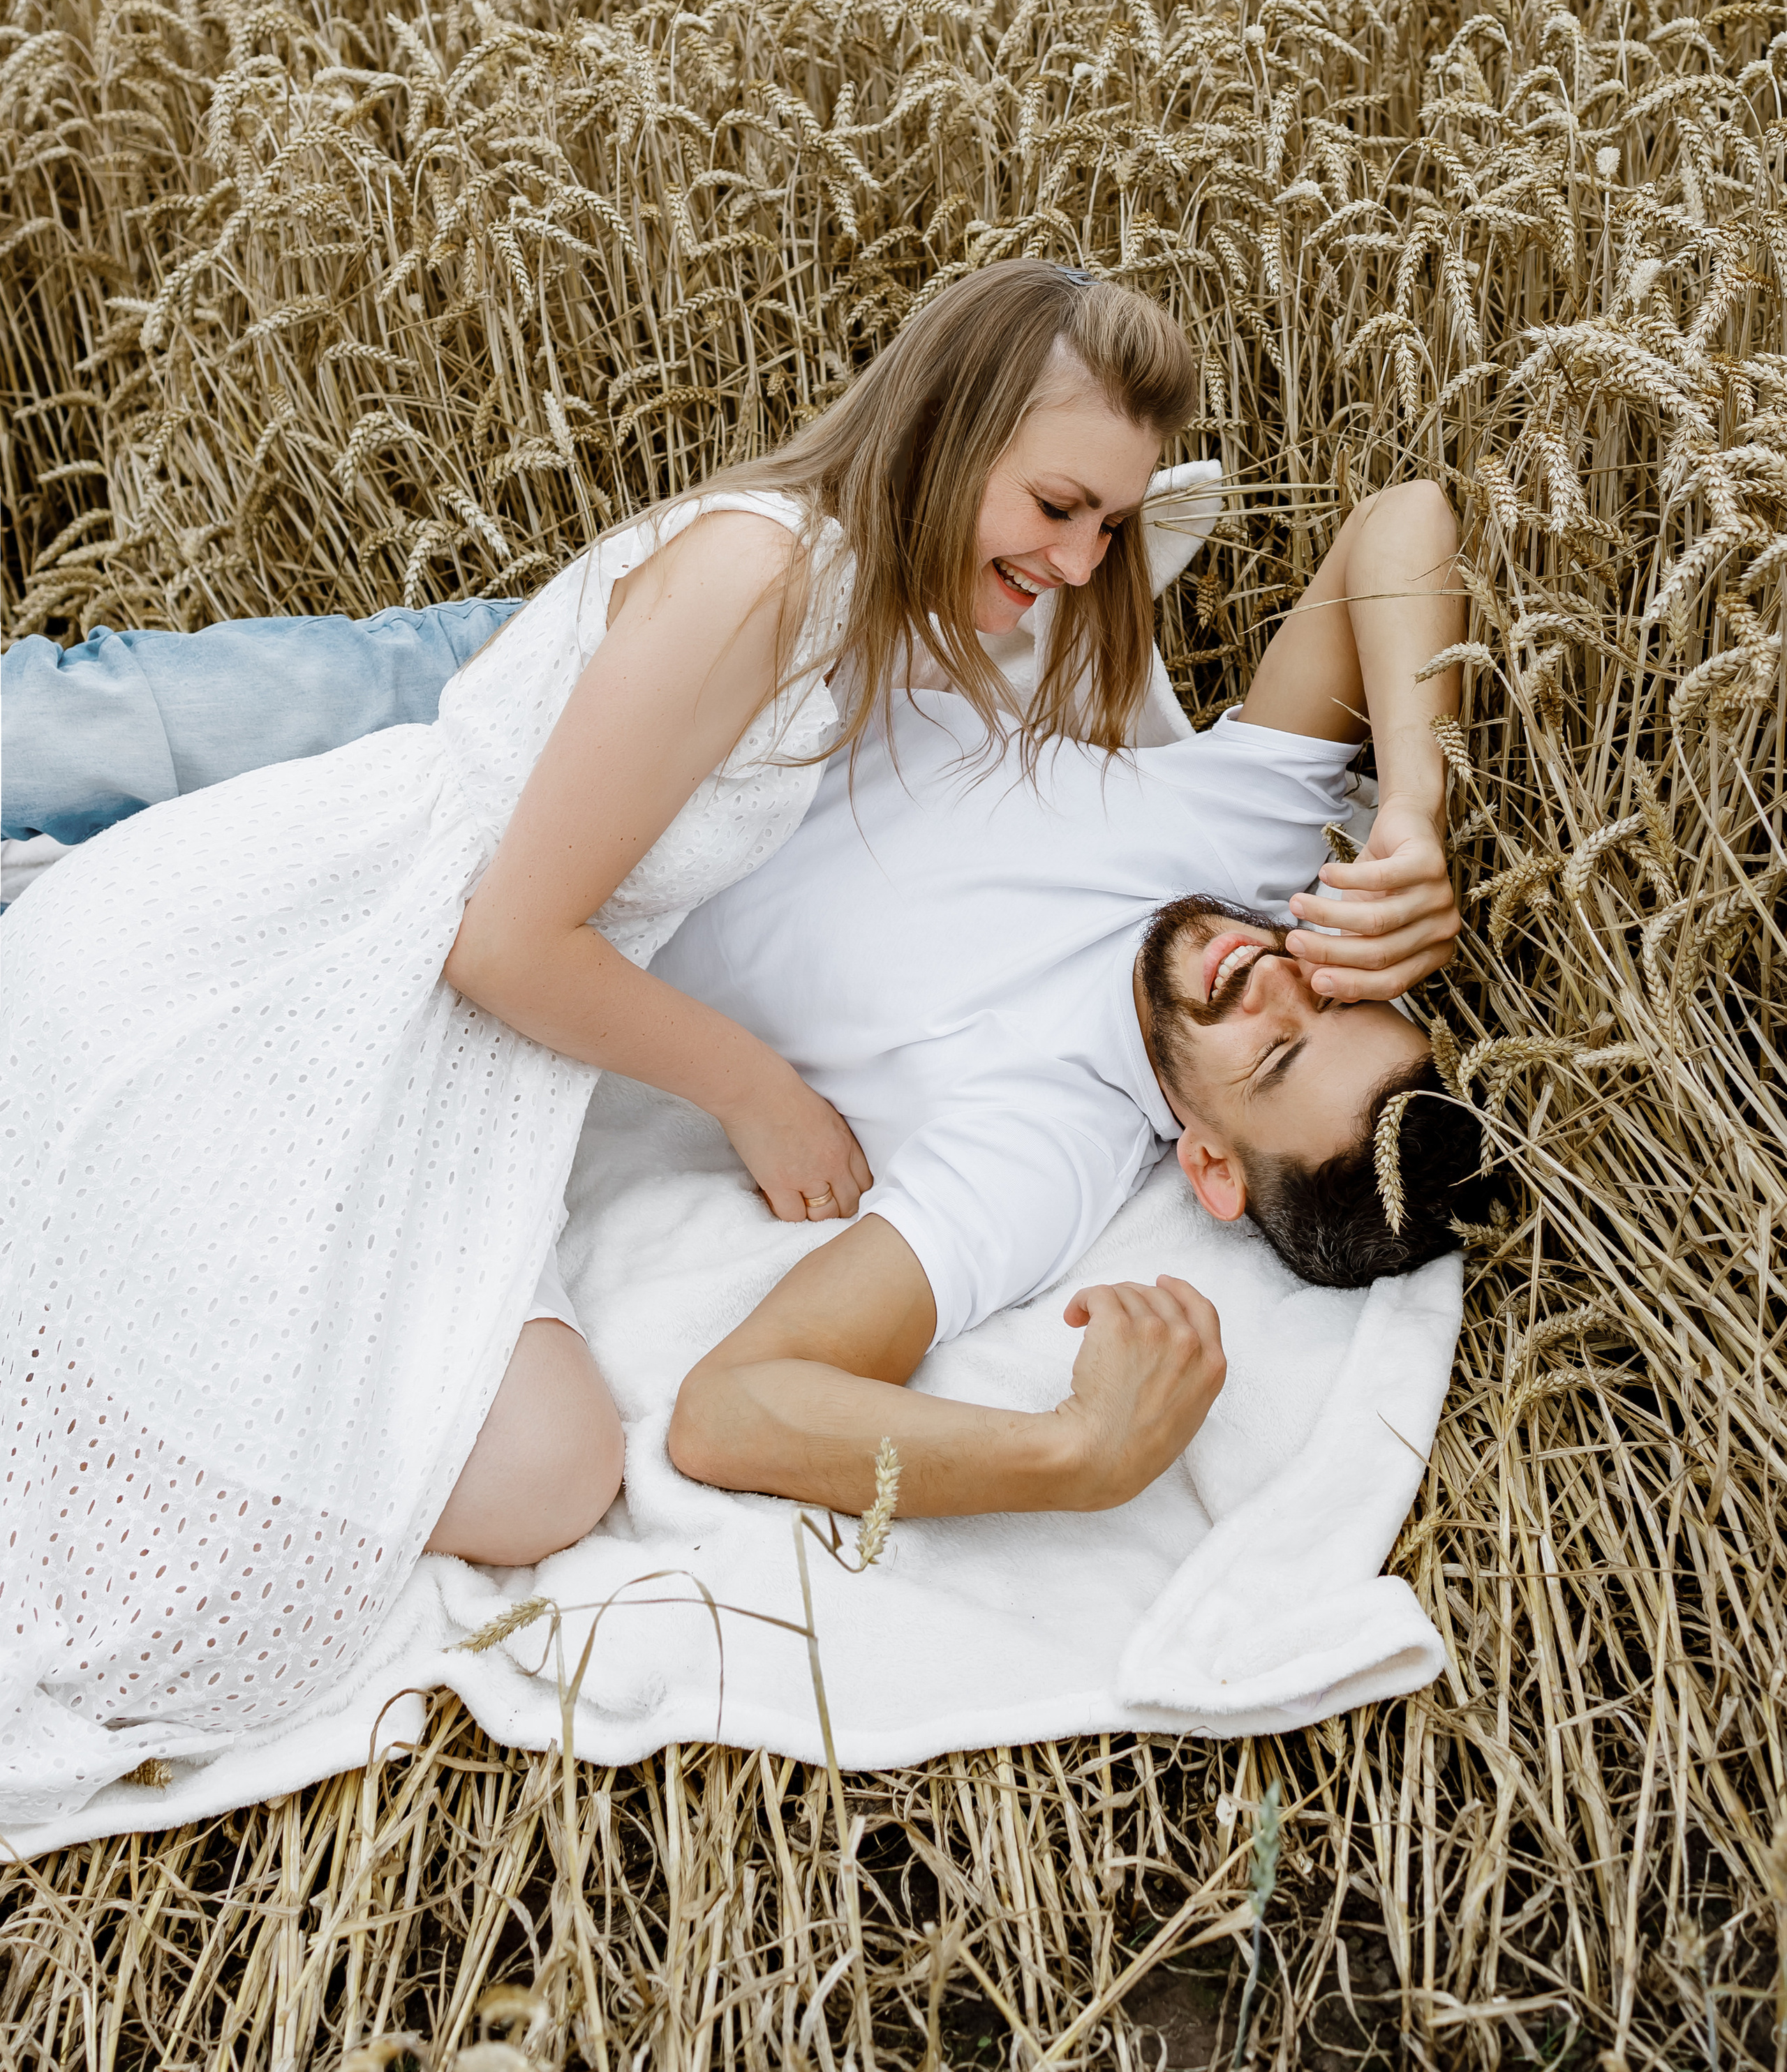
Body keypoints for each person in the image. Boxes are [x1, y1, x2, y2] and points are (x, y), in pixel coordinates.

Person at [0, 260, 1213, 1826]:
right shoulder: (766, 575)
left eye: (1105, 527)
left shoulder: (875, 597)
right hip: (333, 963)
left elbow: (1205, 531)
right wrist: (753, 1091)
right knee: (362, 1501)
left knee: (539, 1475)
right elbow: (503, 939)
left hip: (458, 1044)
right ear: (947, 429)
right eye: (1056, 506)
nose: (1077, 557)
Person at [658, 475, 1478, 1518]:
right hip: (729, 620)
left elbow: (729, 1410)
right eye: (1337, 992)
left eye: (1277, 1056)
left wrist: (1078, 1456)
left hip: (549, 810)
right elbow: (1402, 516)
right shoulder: (1248, 853)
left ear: (1212, 1169)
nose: (1274, 981)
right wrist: (1414, 807)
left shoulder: (1040, 1149)